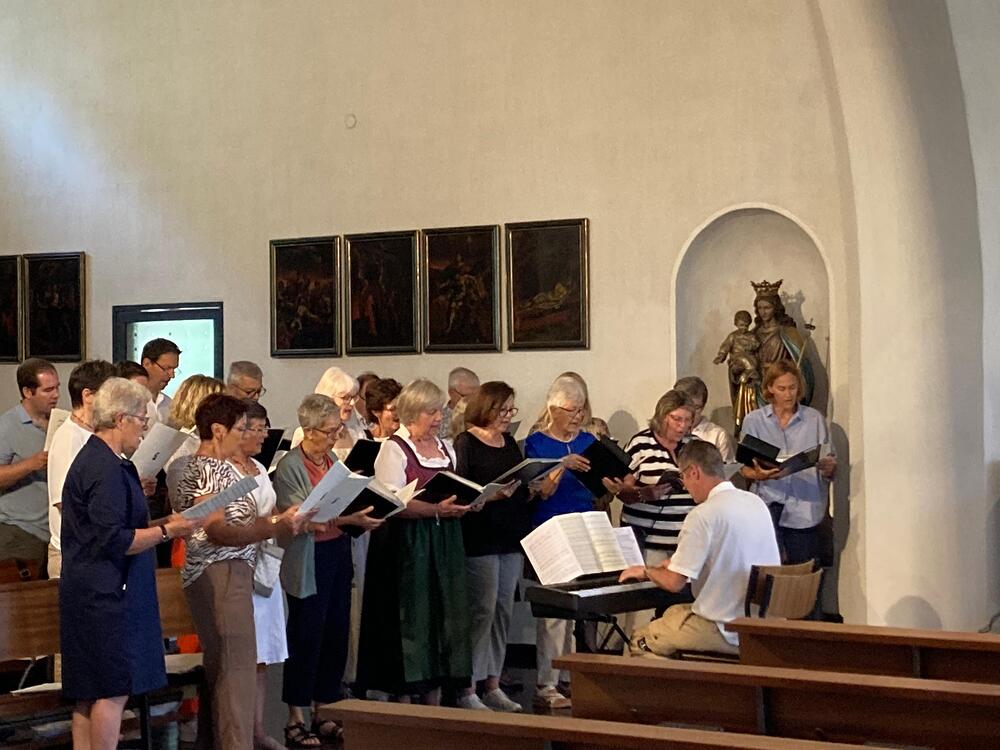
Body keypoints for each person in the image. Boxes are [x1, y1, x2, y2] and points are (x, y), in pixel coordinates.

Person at [59, 377, 197, 750]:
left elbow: (120, 527)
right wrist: (168, 531)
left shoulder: (102, 461)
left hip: (92, 590)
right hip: (108, 594)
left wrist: (166, 523)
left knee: (89, 693)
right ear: (121, 419)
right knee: (111, 689)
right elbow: (115, 539)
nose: (144, 430)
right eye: (142, 421)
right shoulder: (104, 468)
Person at [171, 393, 308, 750]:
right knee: (236, 670)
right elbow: (217, 530)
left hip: (236, 570)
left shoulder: (224, 468)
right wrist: (273, 525)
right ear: (218, 430)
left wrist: (280, 521)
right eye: (241, 428)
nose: (246, 435)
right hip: (218, 570)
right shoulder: (203, 467)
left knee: (232, 668)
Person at [356, 379, 474, 705]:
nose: (438, 418)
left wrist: (470, 502)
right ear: (411, 413)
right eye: (430, 412)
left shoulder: (445, 447)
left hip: (444, 539)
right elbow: (391, 502)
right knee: (412, 617)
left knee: (443, 614)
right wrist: (434, 509)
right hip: (407, 544)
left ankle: (435, 697)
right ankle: (405, 698)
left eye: (439, 412)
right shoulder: (394, 449)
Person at [275, 394, 383, 747]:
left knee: (336, 633)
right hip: (309, 557)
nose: (336, 436)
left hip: (336, 550)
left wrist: (356, 513)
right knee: (307, 634)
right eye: (329, 431)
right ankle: (295, 716)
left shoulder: (331, 458)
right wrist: (349, 518)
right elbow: (300, 518)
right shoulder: (291, 466)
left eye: (337, 429)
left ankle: (325, 710)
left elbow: (335, 505)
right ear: (308, 430)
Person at [620, 440, 780, 657]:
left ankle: (688, 678)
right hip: (761, 620)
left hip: (726, 628)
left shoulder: (703, 514)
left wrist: (646, 571)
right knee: (672, 612)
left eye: (683, 476)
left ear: (694, 472)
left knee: (640, 638)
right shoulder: (755, 502)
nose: (684, 486)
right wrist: (675, 563)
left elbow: (674, 583)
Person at [454, 382, 530, 712]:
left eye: (511, 409)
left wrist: (532, 483)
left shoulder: (509, 442)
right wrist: (492, 495)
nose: (508, 416)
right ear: (486, 408)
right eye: (503, 409)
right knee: (482, 610)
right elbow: (461, 490)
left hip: (509, 534)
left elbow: (519, 482)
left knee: (503, 610)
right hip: (480, 535)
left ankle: (493, 683)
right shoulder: (466, 442)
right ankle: (468, 686)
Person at [523, 375, 596, 710]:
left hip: (584, 526)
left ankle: (568, 673)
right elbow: (542, 491)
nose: (577, 417)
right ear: (553, 409)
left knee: (575, 607)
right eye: (571, 410)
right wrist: (562, 465)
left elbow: (601, 487)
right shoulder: (537, 444)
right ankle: (546, 682)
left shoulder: (588, 440)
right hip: (550, 529)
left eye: (581, 410)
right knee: (554, 612)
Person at [225, 400, 289, 750]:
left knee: (262, 654)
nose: (265, 435)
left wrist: (290, 518)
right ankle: (237, 733)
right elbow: (231, 518)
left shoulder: (260, 468)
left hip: (265, 564)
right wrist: (274, 522)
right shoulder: (225, 470)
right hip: (237, 564)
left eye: (266, 427)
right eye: (259, 428)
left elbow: (271, 510)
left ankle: (258, 729)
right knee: (242, 655)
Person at [739, 361, 836, 565]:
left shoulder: (814, 420)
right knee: (769, 574)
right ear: (770, 389)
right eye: (781, 389)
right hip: (768, 506)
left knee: (803, 573)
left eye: (792, 387)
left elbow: (828, 460)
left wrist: (829, 467)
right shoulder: (754, 421)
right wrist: (758, 474)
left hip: (805, 509)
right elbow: (743, 468)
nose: (788, 394)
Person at [46, 359, 117, 578]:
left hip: (96, 550)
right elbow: (64, 500)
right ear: (88, 396)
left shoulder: (99, 433)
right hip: (74, 554)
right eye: (111, 394)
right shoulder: (69, 437)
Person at [0, 358, 59, 570]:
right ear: (27, 392)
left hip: (54, 532)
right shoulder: (7, 426)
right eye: (48, 390)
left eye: (57, 388)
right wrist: (30, 465)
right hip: (20, 531)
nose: (56, 395)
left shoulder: (59, 422)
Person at [291, 367, 363, 454]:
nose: (352, 403)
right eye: (345, 398)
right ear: (327, 398)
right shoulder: (306, 434)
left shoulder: (356, 433)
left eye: (353, 397)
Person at [672, 376, 735, 463]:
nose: (690, 413)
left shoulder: (717, 435)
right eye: (685, 407)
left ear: (703, 407)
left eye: (696, 407)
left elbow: (727, 469)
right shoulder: (667, 431)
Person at [140, 338, 181, 426]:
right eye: (166, 368)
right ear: (147, 364)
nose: (172, 375)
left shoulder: (169, 404)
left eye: (174, 369)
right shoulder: (129, 401)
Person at [439, 367, 479, 440]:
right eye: (465, 396)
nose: (471, 401)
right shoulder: (438, 421)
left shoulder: (483, 418)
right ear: (451, 392)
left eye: (475, 397)